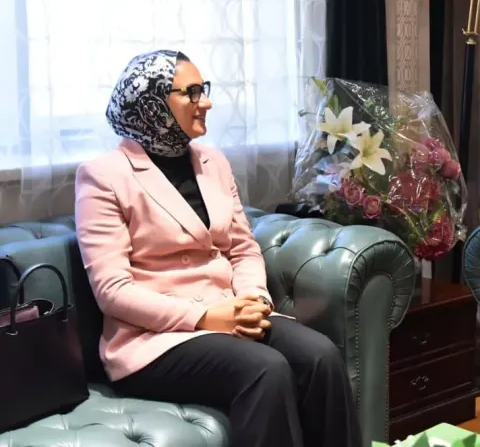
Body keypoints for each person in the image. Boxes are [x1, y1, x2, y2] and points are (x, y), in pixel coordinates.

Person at [74, 50, 361, 447]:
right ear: (152, 104)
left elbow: (242, 248)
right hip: (155, 339)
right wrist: (206, 317)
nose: (206, 102)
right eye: (191, 92)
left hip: (230, 312)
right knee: (266, 369)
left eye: (203, 89)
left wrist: (253, 298)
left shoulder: (213, 161)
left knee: (321, 357)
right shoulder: (103, 176)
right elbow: (113, 292)